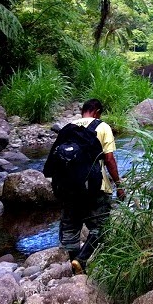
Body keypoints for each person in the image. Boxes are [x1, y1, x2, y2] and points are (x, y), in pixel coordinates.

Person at [58, 98, 125, 274]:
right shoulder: (102, 127)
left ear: (83, 111)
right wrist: (119, 185)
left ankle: (76, 269)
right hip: (96, 187)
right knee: (101, 227)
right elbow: (109, 160)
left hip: (68, 188)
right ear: (97, 112)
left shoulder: (68, 128)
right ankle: (81, 259)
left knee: (71, 229)